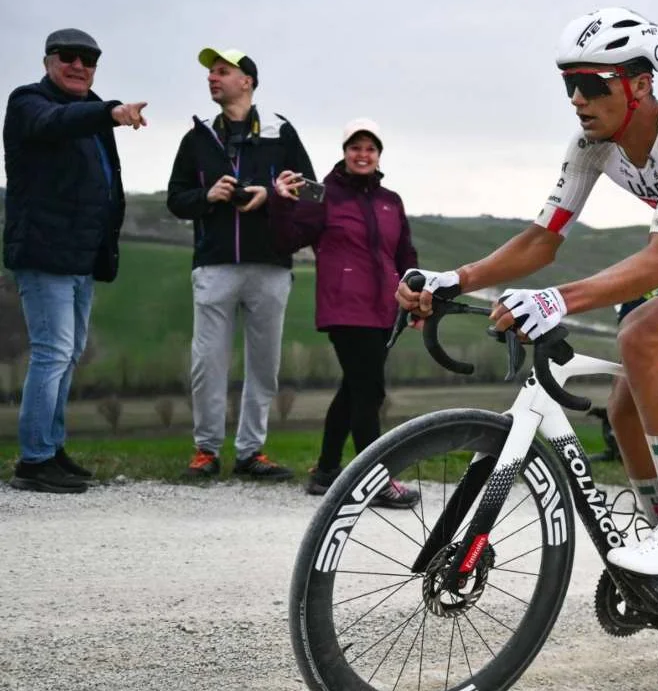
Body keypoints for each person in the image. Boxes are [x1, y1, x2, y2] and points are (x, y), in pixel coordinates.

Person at [396, 7, 658, 576]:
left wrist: (554, 300)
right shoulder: (591, 144)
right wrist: (456, 278)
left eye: (592, 84)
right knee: (623, 403)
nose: (577, 99)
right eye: (569, 84)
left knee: (641, 335)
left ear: (639, 84)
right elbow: (542, 240)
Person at [4, 28, 147, 494]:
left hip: (79, 258)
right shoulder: (29, 102)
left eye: (89, 59)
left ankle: (51, 447)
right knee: (52, 352)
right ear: (48, 61)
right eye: (69, 56)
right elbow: (54, 123)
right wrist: (110, 112)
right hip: (44, 253)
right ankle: (34, 461)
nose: (79, 66)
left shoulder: (91, 111)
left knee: (67, 355)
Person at [166, 47, 315, 480]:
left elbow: (314, 191)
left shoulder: (281, 132)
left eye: (222, 71)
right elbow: (176, 199)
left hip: (271, 264)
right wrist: (207, 196)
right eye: (210, 73)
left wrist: (271, 194)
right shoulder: (197, 138)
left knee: (264, 365)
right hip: (214, 265)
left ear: (246, 81)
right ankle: (206, 451)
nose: (212, 78)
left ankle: (251, 452)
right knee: (207, 363)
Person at [268, 118, 422, 508]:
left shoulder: (391, 201)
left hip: (385, 308)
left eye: (370, 148)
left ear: (379, 154)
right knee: (370, 391)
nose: (362, 154)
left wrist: (418, 297)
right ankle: (376, 481)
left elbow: (404, 254)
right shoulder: (323, 195)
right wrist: (281, 202)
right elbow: (287, 239)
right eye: (355, 147)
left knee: (354, 389)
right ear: (344, 152)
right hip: (345, 307)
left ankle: (325, 472)